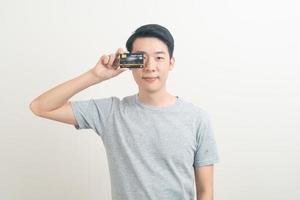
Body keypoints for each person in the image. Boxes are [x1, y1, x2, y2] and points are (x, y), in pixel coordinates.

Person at [29, 24, 220, 200]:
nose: (150, 67)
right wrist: (95, 76)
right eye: (141, 58)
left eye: (159, 57)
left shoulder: (197, 119)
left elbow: (205, 192)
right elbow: (41, 107)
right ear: (130, 63)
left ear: (171, 63)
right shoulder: (111, 112)